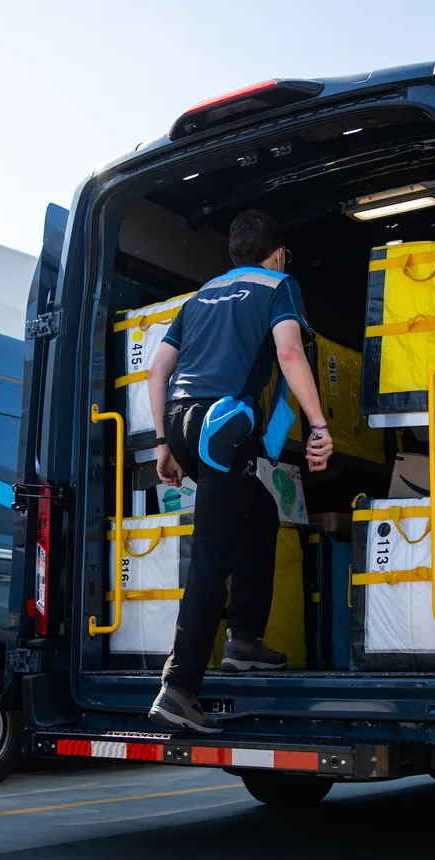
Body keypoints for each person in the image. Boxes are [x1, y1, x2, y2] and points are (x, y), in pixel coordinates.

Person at [144, 210, 334, 734]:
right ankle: (179, 688)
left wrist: (164, 441)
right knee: (212, 553)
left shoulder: (201, 295)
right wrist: (319, 425)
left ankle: (244, 640)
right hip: (224, 425)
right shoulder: (279, 284)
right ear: (277, 252)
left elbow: (158, 369)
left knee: (261, 517)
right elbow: (290, 351)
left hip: (184, 422)